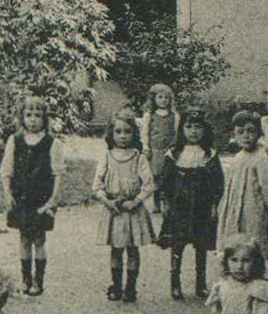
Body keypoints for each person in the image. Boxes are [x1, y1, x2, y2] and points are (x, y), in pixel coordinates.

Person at [95, 112, 160, 302]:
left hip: (133, 209)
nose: (123, 136)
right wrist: (107, 201)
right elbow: (97, 185)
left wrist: (136, 201)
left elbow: (148, 184)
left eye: (127, 131)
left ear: (134, 134)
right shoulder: (107, 157)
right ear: (111, 134)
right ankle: (116, 286)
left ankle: (130, 288)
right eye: (118, 131)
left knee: (132, 249)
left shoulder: (139, 158)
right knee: (116, 249)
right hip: (114, 209)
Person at [161, 110, 224, 300]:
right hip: (179, 206)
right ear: (182, 129)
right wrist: (165, 203)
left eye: (198, 127)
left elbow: (217, 183)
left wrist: (214, 205)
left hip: (201, 207)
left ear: (205, 130)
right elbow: (165, 181)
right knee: (177, 244)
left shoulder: (210, 154)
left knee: (201, 244)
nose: (194, 131)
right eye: (189, 127)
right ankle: (175, 283)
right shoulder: (174, 154)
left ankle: (200, 284)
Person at [0, 95, 58, 296]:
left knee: (39, 238)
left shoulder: (51, 142)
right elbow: (6, 170)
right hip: (21, 196)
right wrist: (7, 194)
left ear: (45, 118)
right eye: (29, 115)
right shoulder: (14, 140)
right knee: (24, 237)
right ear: (22, 117)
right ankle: (25, 279)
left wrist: (53, 199)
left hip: (42, 198)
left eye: (38, 115)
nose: (33, 119)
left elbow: (58, 174)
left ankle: (38, 281)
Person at [217, 111, 268, 259]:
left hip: (253, 211)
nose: (246, 135)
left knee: (254, 244)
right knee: (235, 244)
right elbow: (230, 186)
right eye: (240, 132)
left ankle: (256, 276)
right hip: (235, 208)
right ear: (234, 134)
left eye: (251, 131)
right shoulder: (238, 157)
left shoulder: (261, 159)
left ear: (259, 133)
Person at [141, 83, 181, 223]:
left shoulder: (174, 116)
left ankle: (167, 204)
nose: (163, 100)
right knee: (156, 177)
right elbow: (145, 133)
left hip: (169, 151)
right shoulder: (149, 115)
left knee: (168, 177)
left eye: (166, 98)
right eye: (160, 97)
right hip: (155, 151)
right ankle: (156, 203)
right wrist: (146, 146)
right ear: (154, 99)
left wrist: (175, 148)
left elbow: (176, 133)